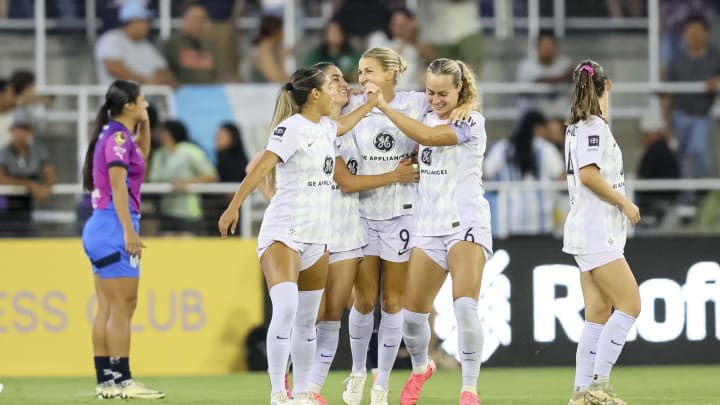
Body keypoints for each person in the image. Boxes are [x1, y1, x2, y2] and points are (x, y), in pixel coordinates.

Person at [217, 67, 376, 405]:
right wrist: (234, 206)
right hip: (284, 231)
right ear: (315, 95)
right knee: (287, 309)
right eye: (328, 88)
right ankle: (278, 393)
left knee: (307, 321)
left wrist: (371, 105)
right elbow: (261, 166)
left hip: (317, 234)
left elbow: (346, 124)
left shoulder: (327, 127)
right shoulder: (289, 129)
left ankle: (302, 393)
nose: (336, 93)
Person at [340, 47, 471, 405]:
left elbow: (449, 111)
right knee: (363, 301)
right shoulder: (351, 107)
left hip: (402, 212)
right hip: (363, 211)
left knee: (392, 301)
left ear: (390, 73)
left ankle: (382, 383)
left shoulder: (418, 102)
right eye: (360, 71)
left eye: (368, 71)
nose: (362, 77)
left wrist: (465, 106)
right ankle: (357, 373)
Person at [371, 58, 489, 405]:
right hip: (429, 226)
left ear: (460, 90)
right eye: (430, 92)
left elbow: (428, 137)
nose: (435, 99)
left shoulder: (471, 121)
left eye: (443, 93)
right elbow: (420, 142)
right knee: (412, 316)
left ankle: (469, 390)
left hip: (466, 222)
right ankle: (422, 368)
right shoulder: (423, 116)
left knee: (465, 306)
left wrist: (382, 107)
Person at [306, 62, 419, 405]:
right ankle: (295, 386)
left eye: (348, 77)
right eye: (336, 79)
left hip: (353, 226)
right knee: (313, 313)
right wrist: (394, 176)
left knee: (343, 308)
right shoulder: (324, 127)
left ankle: (344, 384)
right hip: (321, 228)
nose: (349, 82)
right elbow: (347, 181)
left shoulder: (354, 113)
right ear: (317, 91)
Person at [563, 60, 641, 405]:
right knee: (630, 304)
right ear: (606, 87)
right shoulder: (594, 128)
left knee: (597, 312)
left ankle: (581, 394)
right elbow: (590, 175)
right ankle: (598, 387)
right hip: (597, 232)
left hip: (585, 230)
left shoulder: (575, 128)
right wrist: (624, 202)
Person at [80, 80, 164, 399]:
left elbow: (142, 155)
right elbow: (118, 186)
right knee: (123, 307)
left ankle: (107, 382)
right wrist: (130, 231)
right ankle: (124, 380)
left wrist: (145, 122)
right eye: (142, 100)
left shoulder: (116, 135)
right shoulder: (117, 136)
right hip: (115, 226)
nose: (146, 104)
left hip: (99, 226)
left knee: (107, 307)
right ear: (128, 104)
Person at [483, 110, 564, 236]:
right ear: (538, 128)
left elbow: (484, 172)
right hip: (540, 222)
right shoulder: (546, 149)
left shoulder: (503, 148)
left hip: (509, 222)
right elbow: (561, 178)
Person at [665, 15, 720, 180]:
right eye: (690, 31)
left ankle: (705, 197)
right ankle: (685, 200)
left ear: (706, 33)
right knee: (679, 158)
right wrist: (666, 124)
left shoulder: (716, 57)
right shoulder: (676, 61)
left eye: (698, 30)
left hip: (703, 115)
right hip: (678, 115)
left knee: (700, 151)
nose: (694, 34)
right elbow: (666, 93)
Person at [148, 120, 218, 235]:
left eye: (163, 131)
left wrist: (187, 182)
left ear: (169, 133)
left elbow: (212, 176)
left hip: (188, 212)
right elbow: (153, 179)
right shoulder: (159, 154)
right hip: (166, 211)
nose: (159, 134)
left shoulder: (189, 151)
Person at [95, 0, 178, 87]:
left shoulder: (146, 45)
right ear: (133, 22)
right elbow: (114, 67)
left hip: (147, 98)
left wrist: (161, 79)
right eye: (144, 22)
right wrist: (146, 81)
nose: (148, 26)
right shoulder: (111, 39)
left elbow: (164, 71)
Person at [0, 112, 56, 237]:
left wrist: (46, 186)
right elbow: (1, 178)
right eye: (17, 129)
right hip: (6, 206)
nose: (20, 133)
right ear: (11, 130)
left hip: (28, 205)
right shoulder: (4, 152)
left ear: (30, 131)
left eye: (24, 129)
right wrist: (29, 184)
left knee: (27, 233)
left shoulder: (38, 149)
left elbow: (49, 171)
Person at [159, 1, 221, 84]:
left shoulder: (210, 45)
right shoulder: (171, 43)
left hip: (208, 93)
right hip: (180, 92)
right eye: (193, 19)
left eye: (201, 20)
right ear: (184, 19)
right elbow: (161, 70)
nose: (196, 24)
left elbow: (218, 74)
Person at [251, 15, 290, 83]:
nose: (283, 33)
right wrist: (282, 58)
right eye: (281, 30)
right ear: (274, 32)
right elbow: (276, 79)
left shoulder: (271, 49)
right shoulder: (264, 49)